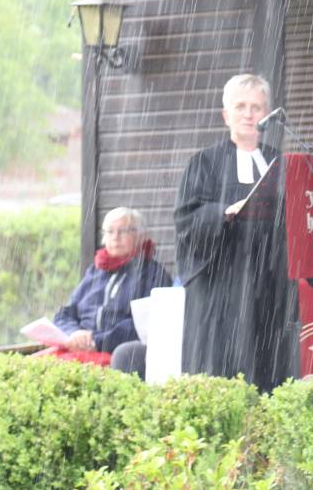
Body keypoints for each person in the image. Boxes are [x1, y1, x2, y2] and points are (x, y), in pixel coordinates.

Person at [174, 73, 297, 392]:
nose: (249, 114)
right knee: (225, 372)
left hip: (270, 286)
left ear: (267, 114)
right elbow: (186, 220)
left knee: (270, 368)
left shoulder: (279, 163)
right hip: (223, 289)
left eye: (257, 107)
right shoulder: (204, 163)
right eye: (240, 106)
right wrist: (222, 212)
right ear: (226, 115)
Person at [51, 207, 172, 370]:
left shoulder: (153, 274)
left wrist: (96, 341)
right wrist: (74, 334)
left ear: (140, 236)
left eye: (123, 231)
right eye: (110, 231)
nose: (115, 237)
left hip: (117, 355)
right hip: (79, 350)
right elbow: (65, 314)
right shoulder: (95, 272)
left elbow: (141, 325)